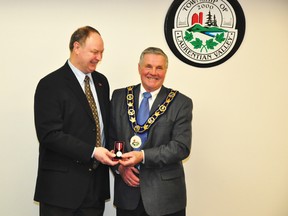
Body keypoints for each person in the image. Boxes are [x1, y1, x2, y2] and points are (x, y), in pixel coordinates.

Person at [33, 26, 118, 216]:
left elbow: (102, 128)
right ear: (76, 47)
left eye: (102, 52)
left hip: (95, 190)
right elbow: (50, 135)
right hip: (61, 192)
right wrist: (93, 152)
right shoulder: (50, 84)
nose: (99, 57)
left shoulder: (101, 82)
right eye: (94, 52)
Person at [109, 47, 193, 216]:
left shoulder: (180, 103)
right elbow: (111, 138)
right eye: (148, 66)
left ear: (165, 71)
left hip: (166, 198)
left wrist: (143, 156)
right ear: (139, 68)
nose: (153, 72)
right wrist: (120, 167)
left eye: (159, 68)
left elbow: (181, 147)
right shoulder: (119, 97)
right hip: (128, 194)